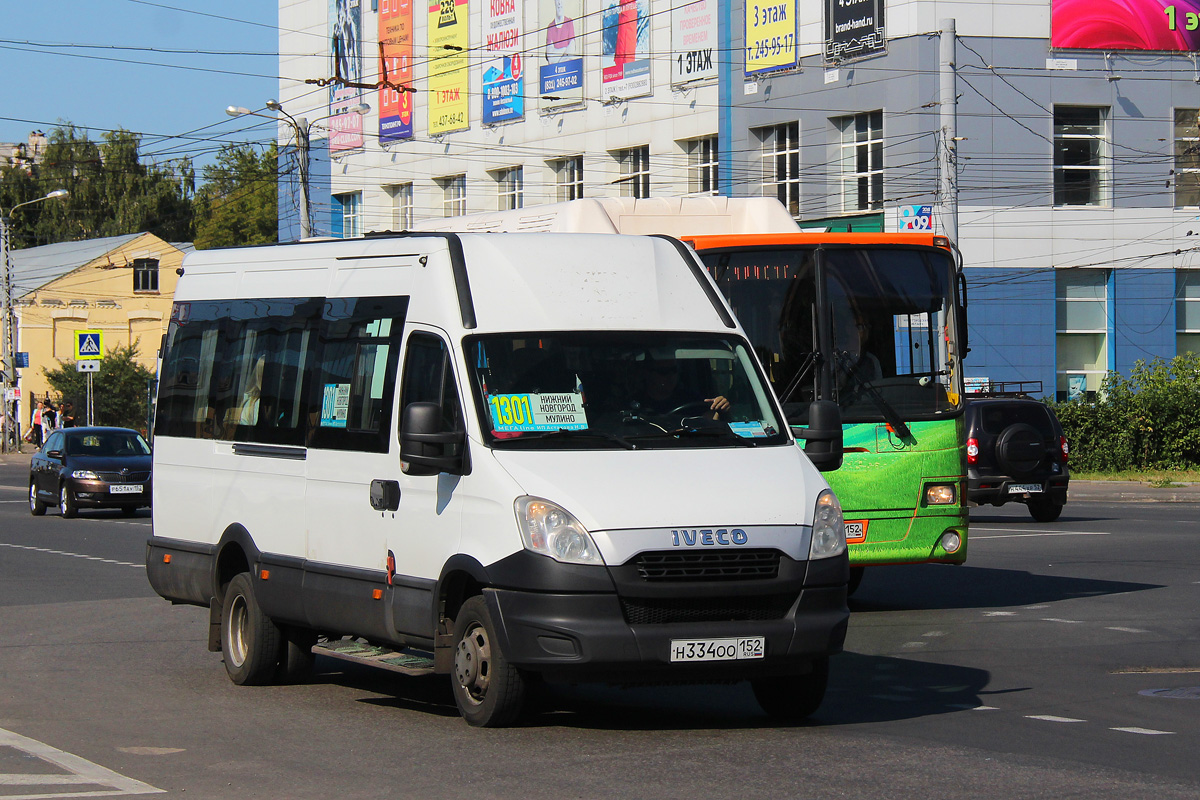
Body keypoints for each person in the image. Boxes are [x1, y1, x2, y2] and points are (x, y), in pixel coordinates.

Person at [634, 357, 729, 420]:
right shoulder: (635, 404)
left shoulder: (691, 400)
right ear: (647, 374)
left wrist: (720, 409)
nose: (670, 376)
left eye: (674, 370)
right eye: (663, 371)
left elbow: (710, 423)